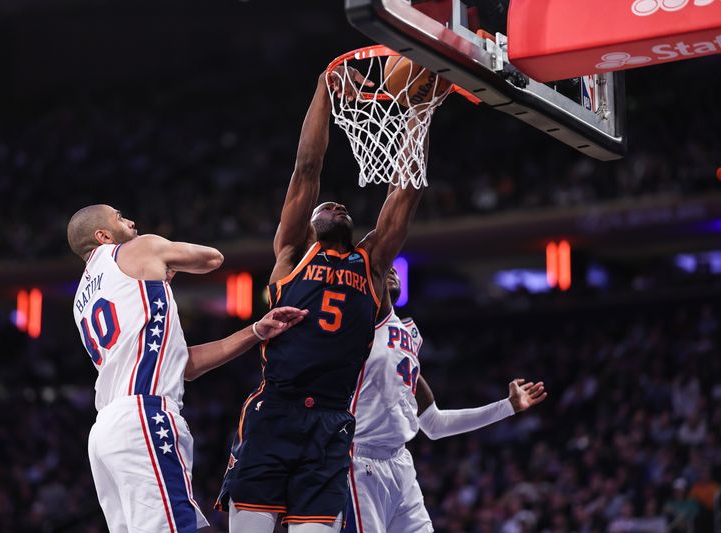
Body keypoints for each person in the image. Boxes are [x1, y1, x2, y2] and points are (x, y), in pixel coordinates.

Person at [216, 66, 425, 532]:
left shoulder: (370, 264)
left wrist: (419, 113)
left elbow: (405, 191)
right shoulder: (292, 255)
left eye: (342, 207)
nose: (337, 206)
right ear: (307, 224)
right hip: (275, 413)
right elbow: (306, 167)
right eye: (325, 206)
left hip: (332, 424)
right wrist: (322, 90)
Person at [67, 204, 308, 533]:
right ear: (103, 235)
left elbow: (186, 366)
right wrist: (165, 261)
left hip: (106, 433)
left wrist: (254, 332)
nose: (132, 221)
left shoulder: (81, 299)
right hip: (143, 417)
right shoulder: (138, 249)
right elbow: (213, 258)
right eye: (120, 217)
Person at [344, 267, 547, 533]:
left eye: (393, 269)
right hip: (361, 462)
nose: (391, 271)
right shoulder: (355, 331)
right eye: (383, 269)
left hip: (400, 462)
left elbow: (435, 424)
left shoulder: (406, 338)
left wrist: (507, 407)